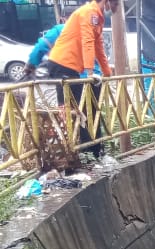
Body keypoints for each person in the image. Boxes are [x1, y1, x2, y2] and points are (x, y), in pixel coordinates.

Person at [42, 0, 116, 159]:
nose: (115, 8)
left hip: (70, 67)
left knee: (84, 107)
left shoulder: (98, 18)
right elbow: (87, 42)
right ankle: (79, 152)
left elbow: (98, 46)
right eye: (115, 4)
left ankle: (92, 151)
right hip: (62, 64)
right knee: (75, 109)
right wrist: (90, 73)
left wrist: (107, 72)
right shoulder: (89, 13)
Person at [25, 24, 102, 78]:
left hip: (70, 75)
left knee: (67, 98)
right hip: (94, 77)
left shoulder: (61, 30)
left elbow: (41, 46)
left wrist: (31, 64)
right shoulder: (90, 32)